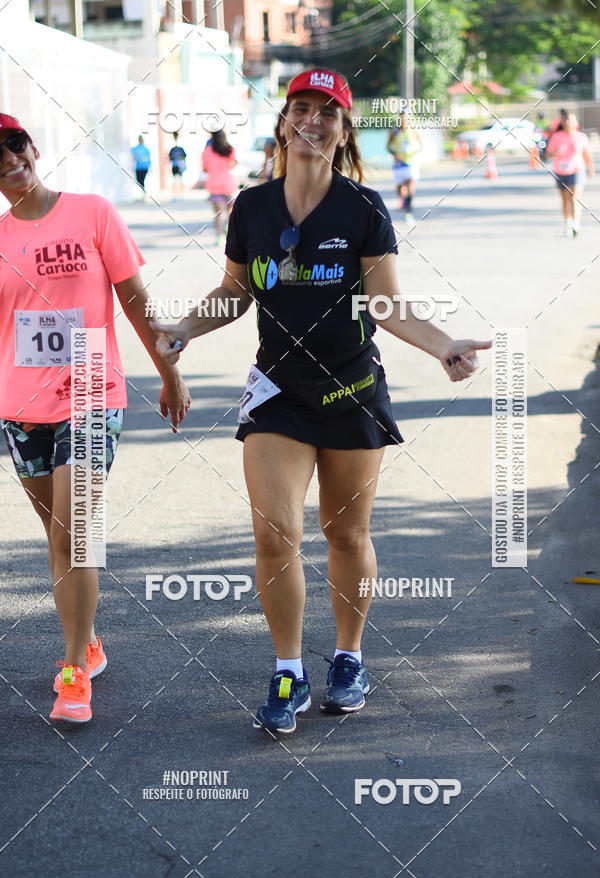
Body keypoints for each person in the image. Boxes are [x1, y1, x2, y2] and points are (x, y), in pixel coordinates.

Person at [151, 69, 491, 736]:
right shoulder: (251, 208)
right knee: (274, 532)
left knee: (346, 533)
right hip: (278, 390)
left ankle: (347, 656)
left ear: (342, 129)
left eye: (327, 112)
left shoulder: (362, 209)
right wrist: (183, 330)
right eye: (301, 109)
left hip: (352, 389)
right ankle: (288, 670)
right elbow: (235, 291)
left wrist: (443, 343)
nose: (313, 121)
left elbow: (387, 305)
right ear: (283, 123)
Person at [0, 114, 191, 724]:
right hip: (21, 405)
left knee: (76, 529)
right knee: (57, 533)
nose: (8, 158)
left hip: (89, 389)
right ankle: (87, 640)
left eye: (14, 144)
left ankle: (72, 672)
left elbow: (137, 304)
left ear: (32, 147)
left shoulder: (92, 214)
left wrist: (170, 376)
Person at [546, 112, 594, 236]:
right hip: (560, 171)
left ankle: (576, 224)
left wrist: (590, 169)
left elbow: (587, 155)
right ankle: (568, 222)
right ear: (563, 122)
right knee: (565, 199)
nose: (568, 122)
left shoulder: (581, 137)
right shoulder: (557, 136)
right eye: (566, 120)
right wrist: (556, 152)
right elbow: (548, 154)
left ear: (576, 123)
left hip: (577, 170)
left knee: (574, 198)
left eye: (571, 120)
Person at [201, 129, 237, 246]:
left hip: (214, 185)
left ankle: (218, 237)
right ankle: (227, 227)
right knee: (230, 211)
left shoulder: (207, 151)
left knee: (218, 214)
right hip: (228, 185)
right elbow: (231, 165)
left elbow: (205, 168)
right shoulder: (229, 150)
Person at [386, 112, 422, 222]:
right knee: (400, 189)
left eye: (406, 116)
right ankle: (403, 201)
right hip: (398, 164)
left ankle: (408, 209)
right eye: (401, 117)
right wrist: (395, 154)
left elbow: (421, 145)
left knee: (411, 185)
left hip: (410, 163)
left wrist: (412, 152)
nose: (403, 119)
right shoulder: (394, 131)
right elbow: (388, 146)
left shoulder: (413, 130)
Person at [168, 132, 187, 200]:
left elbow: (184, 157)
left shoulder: (181, 148)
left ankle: (181, 194)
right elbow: (170, 158)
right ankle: (174, 195)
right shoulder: (172, 149)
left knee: (180, 180)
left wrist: (184, 165)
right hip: (175, 166)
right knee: (174, 181)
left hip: (180, 166)